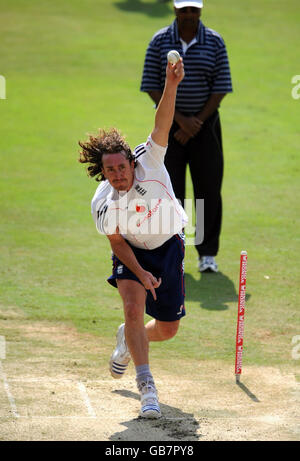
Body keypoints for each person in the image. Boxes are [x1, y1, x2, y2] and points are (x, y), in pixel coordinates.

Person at [78, 59, 186, 419]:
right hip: (132, 253)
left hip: (169, 246)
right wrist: (139, 274)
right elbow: (117, 243)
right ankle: (147, 388)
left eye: (121, 167)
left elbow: (162, 123)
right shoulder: (103, 202)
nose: (118, 174)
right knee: (133, 308)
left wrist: (171, 85)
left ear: (130, 161)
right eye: (110, 170)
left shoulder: (150, 159)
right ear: (103, 171)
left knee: (168, 329)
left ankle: (127, 337)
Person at [140, 0, 233, 273]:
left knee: (208, 191)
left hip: (206, 128)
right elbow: (150, 85)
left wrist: (196, 122)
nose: (189, 15)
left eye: (194, 9)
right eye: (184, 10)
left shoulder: (215, 41)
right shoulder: (159, 41)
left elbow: (221, 86)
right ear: (175, 10)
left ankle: (207, 255)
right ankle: (173, 252)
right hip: (169, 129)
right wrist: (179, 120)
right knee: (169, 192)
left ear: (200, 11)